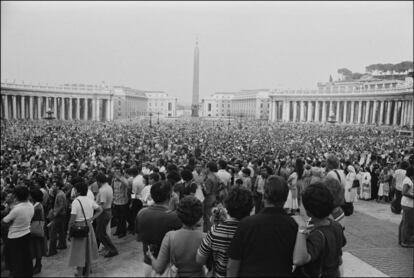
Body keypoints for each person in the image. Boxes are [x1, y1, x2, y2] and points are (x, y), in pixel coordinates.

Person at [227, 175, 298, 277]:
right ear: (286, 198)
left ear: (264, 196)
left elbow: (233, 263)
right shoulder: (293, 225)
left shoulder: (247, 224)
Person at [292, 182, 347, 277]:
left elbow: (298, 260)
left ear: (308, 212)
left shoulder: (317, 235)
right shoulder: (336, 226)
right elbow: (341, 246)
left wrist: (301, 229)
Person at [196, 187, 253, 277]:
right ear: (251, 208)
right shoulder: (252, 231)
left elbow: (199, 260)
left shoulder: (216, 230)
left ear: (227, 206)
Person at [147, 196, 205, 277]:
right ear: (199, 216)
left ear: (179, 214)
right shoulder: (205, 238)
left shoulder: (170, 236)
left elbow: (159, 268)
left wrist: (151, 256)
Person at [136, 181, 182, 277]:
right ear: (170, 196)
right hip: (167, 266)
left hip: (148, 263)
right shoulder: (175, 218)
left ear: (152, 196)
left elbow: (139, 237)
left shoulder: (141, 213)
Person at [68, 181, 103, 277]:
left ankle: (79, 274)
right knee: (88, 252)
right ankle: (86, 274)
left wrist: (68, 231)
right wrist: (91, 218)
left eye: (75, 190)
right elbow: (100, 209)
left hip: (78, 228)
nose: (74, 191)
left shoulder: (76, 201)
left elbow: (72, 219)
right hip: (88, 227)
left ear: (78, 192)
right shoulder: (89, 200)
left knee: (79, 253)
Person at [1, 186, 34, 277]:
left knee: (16, 260)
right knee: (26, 257)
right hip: (26, 233)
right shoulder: (30, 205)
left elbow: (4, 221)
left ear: (16, 196)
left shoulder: (16, 209)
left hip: (15, 237)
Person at [95, 173, 118, 258]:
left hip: (103, 213)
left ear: (98, 181)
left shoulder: (103, 190)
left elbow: (103, 204)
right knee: (101, 232)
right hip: (107, 211)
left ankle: (112, 249)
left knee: (101, 233)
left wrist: (95, 209)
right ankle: (106, 248)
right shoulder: (108, 187)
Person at [48, 180, 67, 256]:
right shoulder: (60, 193)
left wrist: (55, 213)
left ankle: (52, 250)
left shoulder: (59, 195)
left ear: (58, 187)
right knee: (61, 230)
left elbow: (61, 205)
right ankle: (62, 244)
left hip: (59, 215)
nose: (53, 186)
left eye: (54, 185)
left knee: (53, 232)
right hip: (62, 214)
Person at [29, 188, 47, 275]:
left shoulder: (37, 207)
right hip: (37, 228)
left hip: (36, 229)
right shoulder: (37, 205)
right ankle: (37, 265)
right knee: (37, 247)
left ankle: (38, 265)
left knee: (37, 248)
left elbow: (37, 219)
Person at [202, 162, 221, 232]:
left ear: (208, 168)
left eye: (206, 167)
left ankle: (208, 233)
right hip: (214, 197)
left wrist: (202, 185)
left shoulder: (209, 178)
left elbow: (207, 192)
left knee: (207, 217)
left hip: (209, 199)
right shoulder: (216, 177)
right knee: (211, 216)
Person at [398, 166, 414, 248]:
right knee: (407, 223)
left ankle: (401, 239)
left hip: (406, 203)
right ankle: (405, 241)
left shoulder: (408, 180)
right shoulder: (408, 180)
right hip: (408, 204)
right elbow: (404, 192)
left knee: (404, 222)